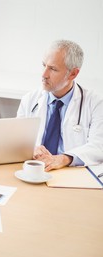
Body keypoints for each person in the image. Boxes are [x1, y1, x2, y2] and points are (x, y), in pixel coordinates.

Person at [17, 40, 103, 171]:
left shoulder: (95, 103)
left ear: (73, 73)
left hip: (72, 173)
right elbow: (17, 140)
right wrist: (31, 149)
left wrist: (64, 158)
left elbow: (99, 146)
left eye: (53, 69)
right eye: (44, 65)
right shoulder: (29, 100)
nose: (44, 75)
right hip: (36, 170)